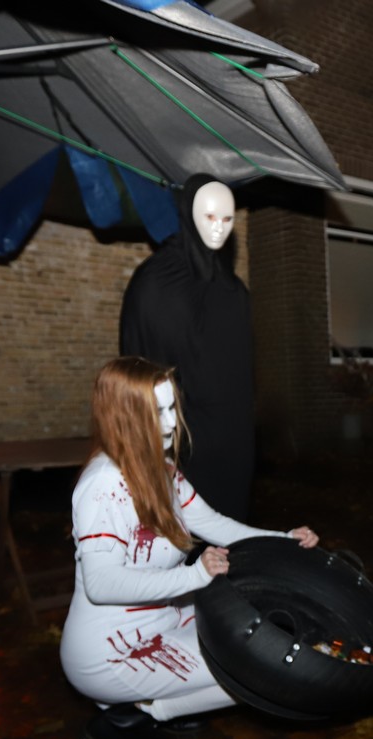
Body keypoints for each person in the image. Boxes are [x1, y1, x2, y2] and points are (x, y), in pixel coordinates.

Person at [60, 357, 318, 739]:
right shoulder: (104, 485)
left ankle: (151, 710)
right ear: (124, 417)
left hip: (164, 618)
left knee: (255, 630)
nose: (170, 423)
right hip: (111, 650)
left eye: (171, 408)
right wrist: (194, 575)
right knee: (256, 668)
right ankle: (127, 714)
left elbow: (212, 523)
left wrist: (283, 540)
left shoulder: (160, 468)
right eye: (156, 412)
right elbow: (101, 584)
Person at [120, 175, 256, 522]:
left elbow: (243, 373)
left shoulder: (234, 290)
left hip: (234, 440)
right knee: (185, 534)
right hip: (181, 441)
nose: (219, 228)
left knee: (230, 531)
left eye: (227, 219)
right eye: (210, 216)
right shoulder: (155, 283)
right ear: (188, 213)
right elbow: (138, 366)